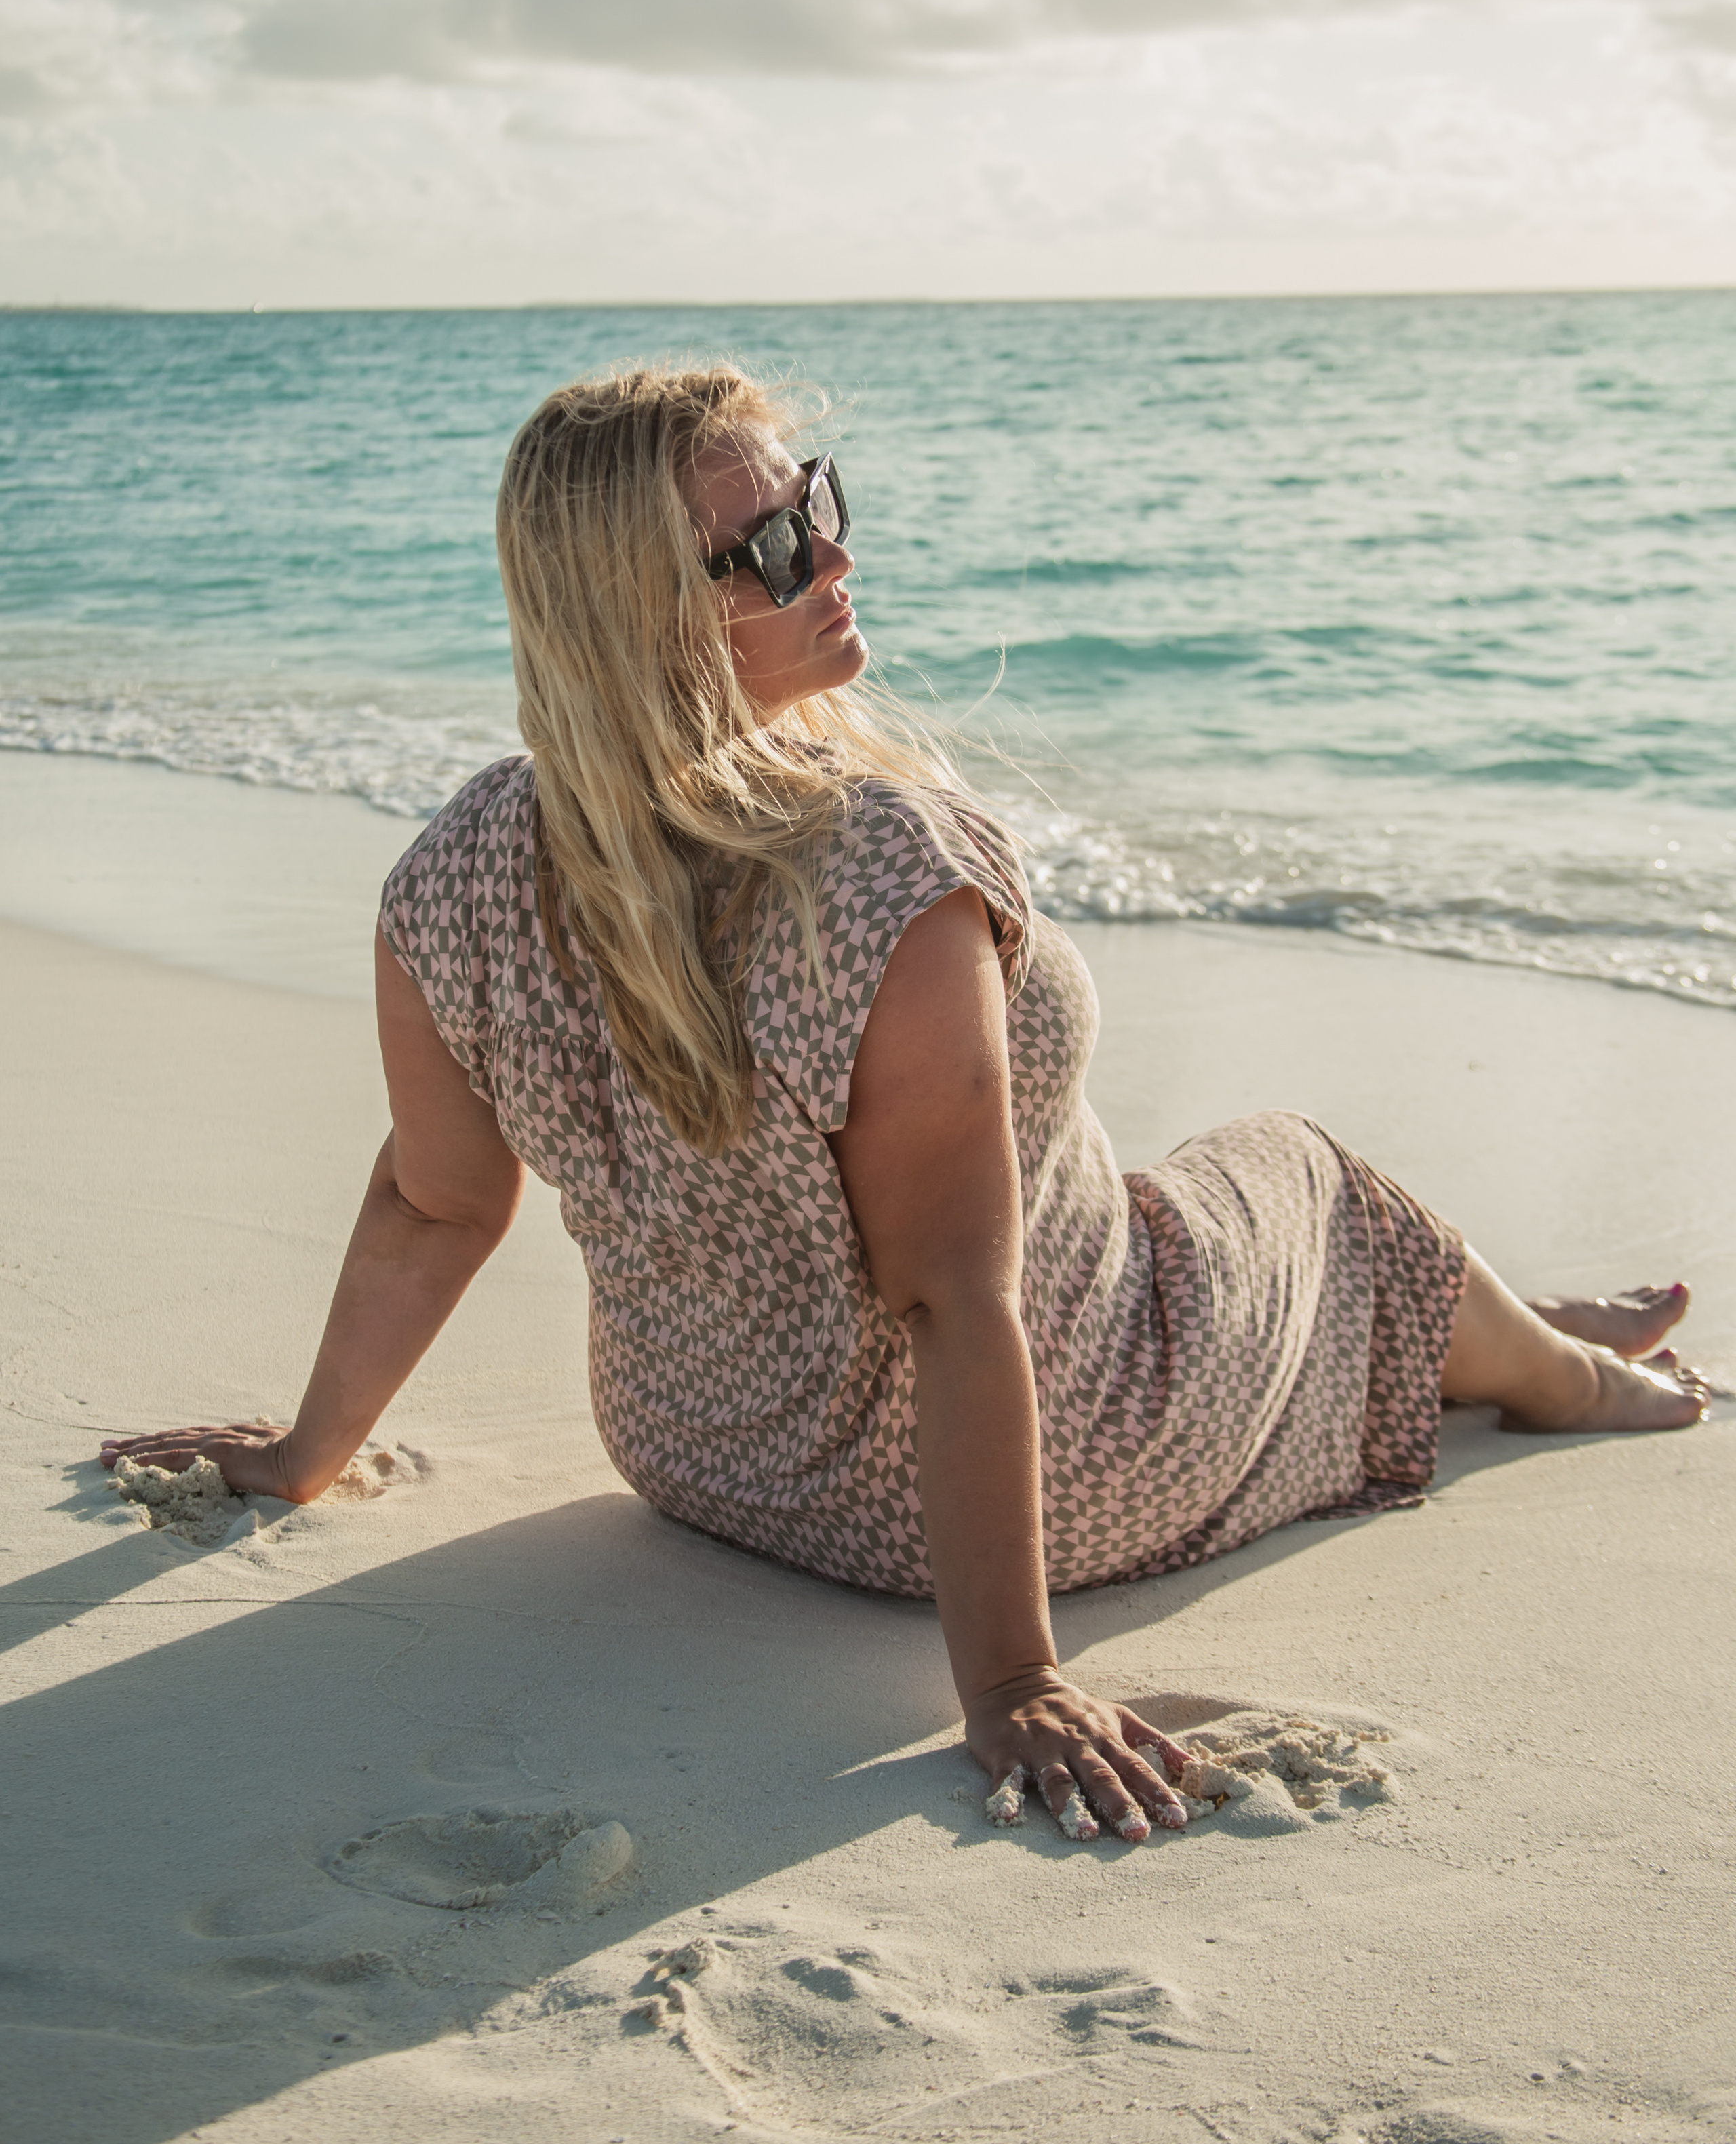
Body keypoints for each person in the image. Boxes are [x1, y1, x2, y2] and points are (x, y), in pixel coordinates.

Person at [102, 365, 1708, 1843]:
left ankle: (1508, 1325)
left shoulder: (453, 873)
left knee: (1162, 1207)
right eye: (770, 548)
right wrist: (1010, 1680)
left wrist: (306, 1453)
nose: (831, 558)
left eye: (816, 504)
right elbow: (949, 1303)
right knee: (1302, 1175)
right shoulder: (878, 869)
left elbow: (435, 1201)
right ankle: (1558, 1373)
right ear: (645, 617)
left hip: (699, 1454)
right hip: (1041, 1475)